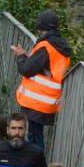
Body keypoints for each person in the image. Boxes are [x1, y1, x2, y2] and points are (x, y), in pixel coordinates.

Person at [11, 9, 72, 149]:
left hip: (36, 100)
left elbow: (26, 70)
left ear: (40, 27)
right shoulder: (60, 47)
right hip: (48, 100)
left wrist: (21, 57)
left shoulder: (46, 46)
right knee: (37, 136)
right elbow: (44, 70)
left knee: (33, 139)